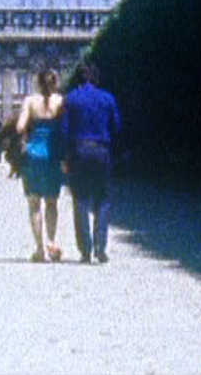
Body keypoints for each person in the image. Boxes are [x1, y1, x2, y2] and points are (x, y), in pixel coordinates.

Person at [61, 61, 120, 264]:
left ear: (77, 78)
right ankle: (100, 248)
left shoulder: (70, 99)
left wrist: (66, 156)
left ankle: (85, 251)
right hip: (101, 150)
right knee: (102, 200)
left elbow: (64, 131)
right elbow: (117, 126)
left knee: (80, 200)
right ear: (96, 78)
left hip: (78, 151)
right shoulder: (107, 98)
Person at [16, 68, 65, 262]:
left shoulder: (30, 101)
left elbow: (20, 127)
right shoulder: (60, 101)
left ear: (37, 82)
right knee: (52, 202)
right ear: (55, 83)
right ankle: (51, 241)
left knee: (34, 203)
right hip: (53, 154)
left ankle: (39, 249)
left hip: (33, 155)